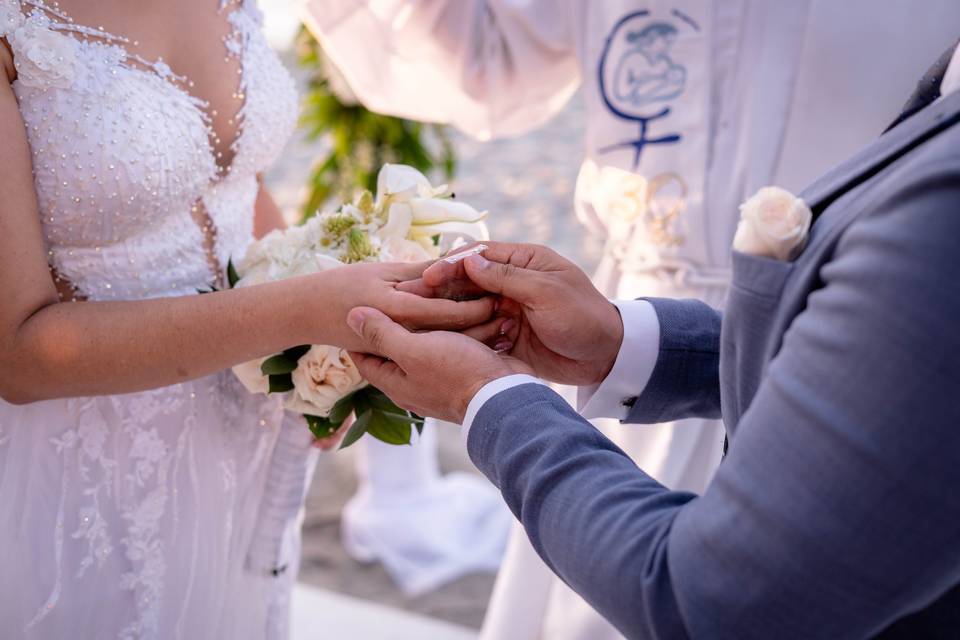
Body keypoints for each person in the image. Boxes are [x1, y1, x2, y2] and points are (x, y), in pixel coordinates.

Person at [304, 3, 960, 636]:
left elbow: (714, 605)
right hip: (660, 329)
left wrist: (488, 401)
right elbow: (482, 60)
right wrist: (629, 344)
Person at [0, 1, 492, 637]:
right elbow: (17, 352)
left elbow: (233, 183)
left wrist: (322, 358)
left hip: (247, 428)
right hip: (89, 466)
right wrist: (304, 308)